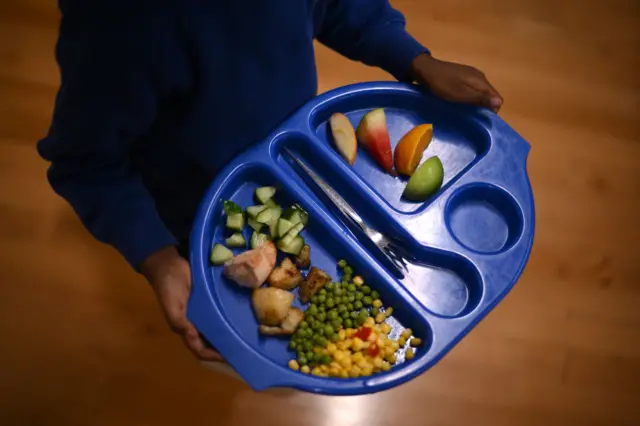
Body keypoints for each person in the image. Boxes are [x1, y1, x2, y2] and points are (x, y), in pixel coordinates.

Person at [37, 0, 502, 363]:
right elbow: (84, 162)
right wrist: (157, 259)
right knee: (239, 341)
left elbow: (339, 6)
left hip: (294, 165)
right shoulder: (119, 26)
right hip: (196, 213)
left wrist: (414, 59)